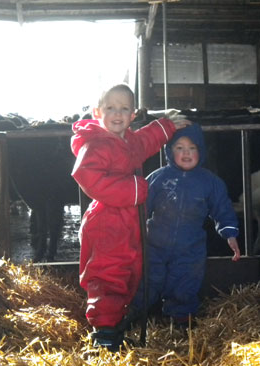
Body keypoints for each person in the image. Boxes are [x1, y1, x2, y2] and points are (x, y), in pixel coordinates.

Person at [70, 84, 191, 351]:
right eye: (110, 107)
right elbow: (87, 176)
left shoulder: (127, 139)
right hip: (106, 222)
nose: (117, 113)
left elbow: (144, 141)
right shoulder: (96, 143)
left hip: (127, 220)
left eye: (124, 108)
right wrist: (135, 189)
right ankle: (104, 335)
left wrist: (166, 127)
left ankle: (115, 326)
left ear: (133, 114)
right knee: (108, 274)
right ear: (96, 112)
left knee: (128, 271)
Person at [131, 123, 241, 328]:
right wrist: (133, 232)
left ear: (201, 150)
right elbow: (141, 207)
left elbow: (222, 210)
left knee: (185, 282)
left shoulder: (210, 182)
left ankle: (180, 321)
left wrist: (230, 234)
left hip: (190, 247)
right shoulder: (158, 178)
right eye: (179, 148)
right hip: (155, 244)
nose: (186, 153)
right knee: (148, 279)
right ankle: (135, 315)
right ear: (169, 151)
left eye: (192, 148)